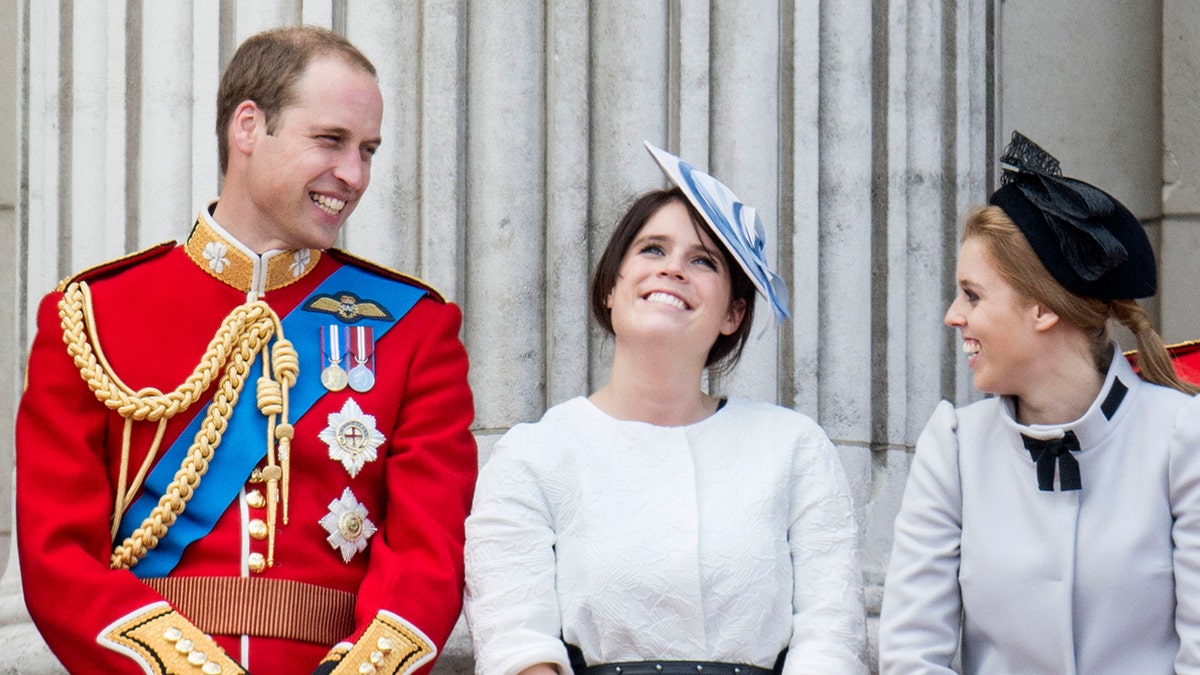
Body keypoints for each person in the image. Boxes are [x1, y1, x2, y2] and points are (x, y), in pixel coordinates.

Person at [15, 26, 476, 675]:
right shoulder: (92, 314)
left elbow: (428, 557)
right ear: (249, 127)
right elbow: (56, 556)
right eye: (331, 140)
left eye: (368, 149)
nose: (354, 174)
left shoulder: (413, 326)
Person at [463, 142, 868, 675]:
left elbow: (831, 636)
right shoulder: (533, 454)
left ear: (733, 313)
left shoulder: (794, 447)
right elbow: (515, 640)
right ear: (612, 286)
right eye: (652, 250)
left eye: (703, 260)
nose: (673, 269)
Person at [879, 131, 1200, 674]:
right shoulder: (954, 449)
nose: (953, 315)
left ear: (1042, 310)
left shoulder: (1182, 437)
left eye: (973, 294)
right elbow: (912, 656)